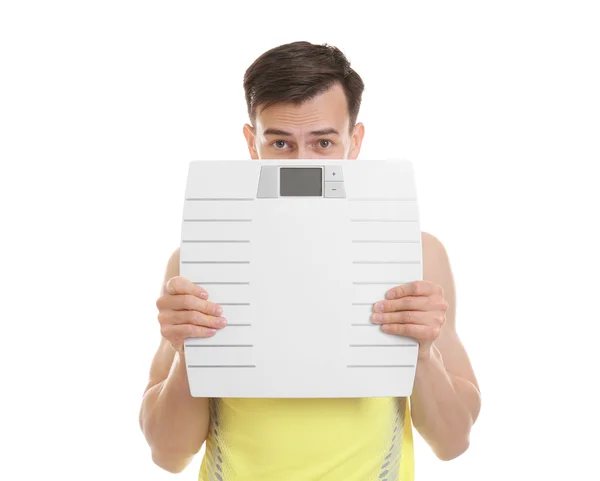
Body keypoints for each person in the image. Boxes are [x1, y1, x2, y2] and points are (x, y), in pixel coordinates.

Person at [139, 41, 481, 481]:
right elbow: (168, 454)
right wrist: (192, 355)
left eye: (323, 142)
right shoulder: (198, 258)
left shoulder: (416, 254)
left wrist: (421, 354)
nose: (302, 164)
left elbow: (453, 443)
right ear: (252, 142)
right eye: (280, 142)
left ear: (353, 142)